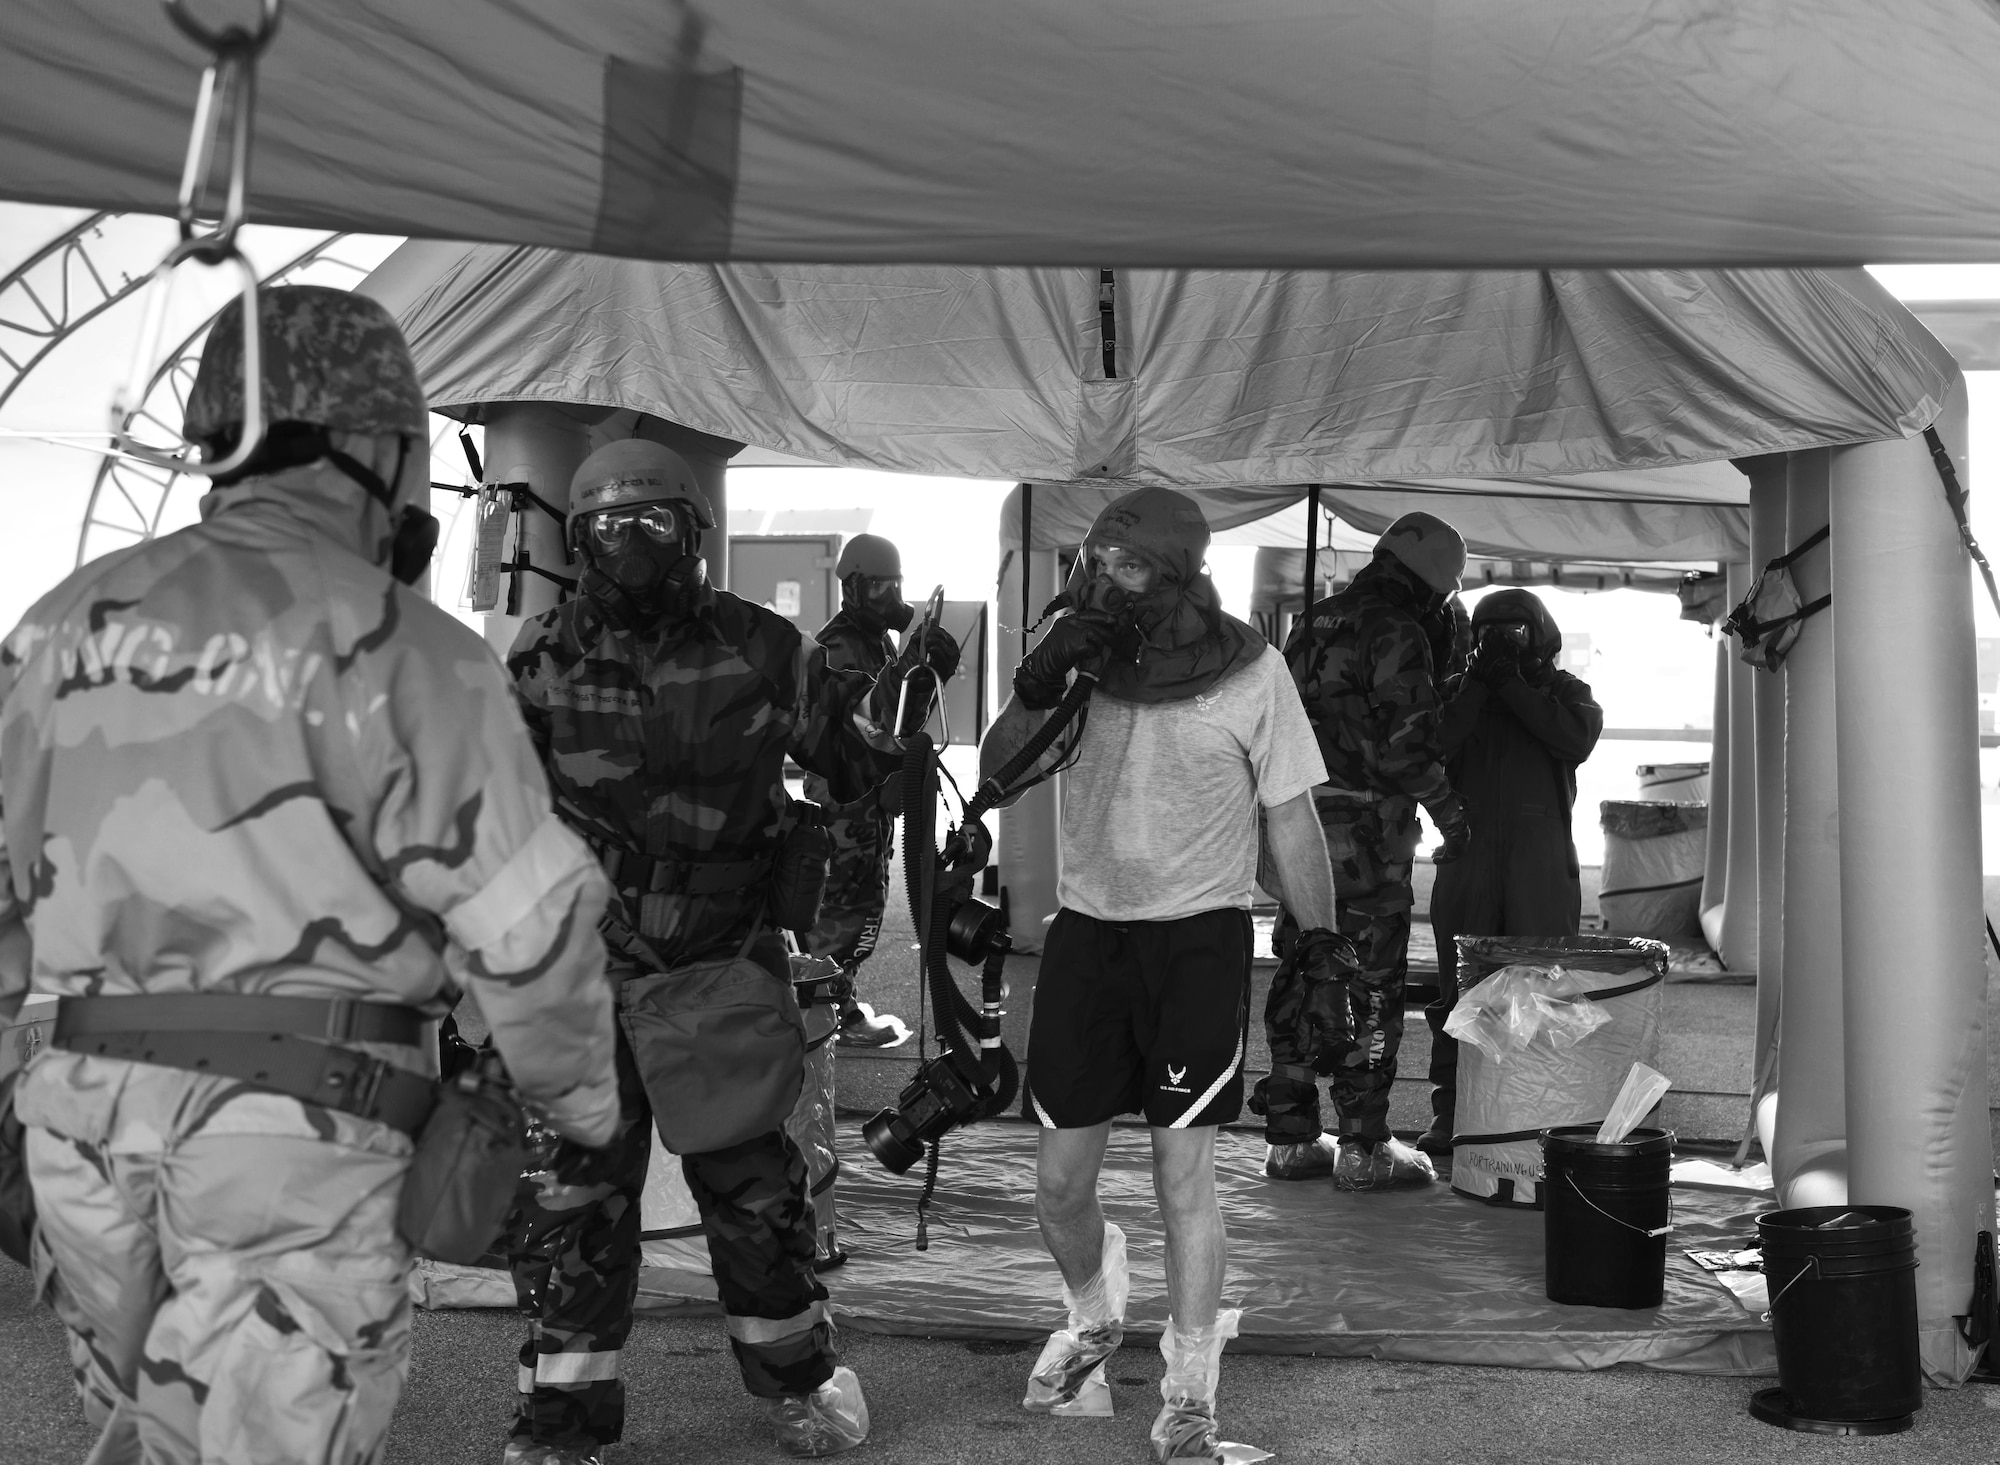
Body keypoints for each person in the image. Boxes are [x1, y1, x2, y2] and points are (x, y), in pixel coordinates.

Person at [0, 285, 622, 1465]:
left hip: (73, 1130)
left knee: (143, 1438)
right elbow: (529, 926)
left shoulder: (55, 627)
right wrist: (575, 1101)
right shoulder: (399, 642)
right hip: (288, 1141)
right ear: (378, 448)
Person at [500, 437, 960, 1464]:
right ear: (577, 540)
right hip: (590, 972)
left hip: (719, 964)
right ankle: (561, 1424)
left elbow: (849, 771)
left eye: (653, 524)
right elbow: (493, 819)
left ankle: (795, 1385)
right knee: (575, 1202)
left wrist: (902, 703)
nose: (631, 547)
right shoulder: (542, 657)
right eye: (607, 528)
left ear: (694, 533)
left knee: (754, 1199)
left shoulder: (763, 647)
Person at [981, 486, 1335, 1462]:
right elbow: (994, 771)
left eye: (1124, 565)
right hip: (1087, 938)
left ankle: (1188, 1397)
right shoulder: (1077, 652)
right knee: (1058, 1185)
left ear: (1176, 569)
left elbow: (1291, 820)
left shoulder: (1252, 672)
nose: (1101, 578)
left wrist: (1324, 946)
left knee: (1183, 1174)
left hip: (1198, 942)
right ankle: (1094, 1316)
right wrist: (1042, 681)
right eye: (1093, 560)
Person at [1255, 511, 1470, 1189]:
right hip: (1370, 845)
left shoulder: (1309, 624)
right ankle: (1363, 1145)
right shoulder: (1399, 630)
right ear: (1434, 585)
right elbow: (1409, 751)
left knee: (1304, 971)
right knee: (1371, 986)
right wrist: (1454, 815)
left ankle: (1290, 1139)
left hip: (1298, 841)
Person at [1420, 588, 1604, 1153]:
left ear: (1540, 635)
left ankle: (1535, 1117)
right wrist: (1480, 683)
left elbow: (1575, 739)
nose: (1503, 642)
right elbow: (1433, 745)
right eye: (1492, 632)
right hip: (1469, 860)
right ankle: (1453, 1115)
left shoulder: (1565, 692)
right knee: (1459, 993)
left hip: (1538, 864)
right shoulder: (1457, 692)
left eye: (1516, 632)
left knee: (1542, 990)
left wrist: (1512, 685)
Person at [802, 532, 912, 1047]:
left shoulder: (875, 640)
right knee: (844, 906)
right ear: (852, 588)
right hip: (845, 803)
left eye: (895, 585)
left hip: (867, 799)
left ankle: (834, 1003)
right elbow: (864, 727)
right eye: (879, 587)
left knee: (863, 900)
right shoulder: (840, 645)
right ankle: (828, 1011)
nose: (890, 597)